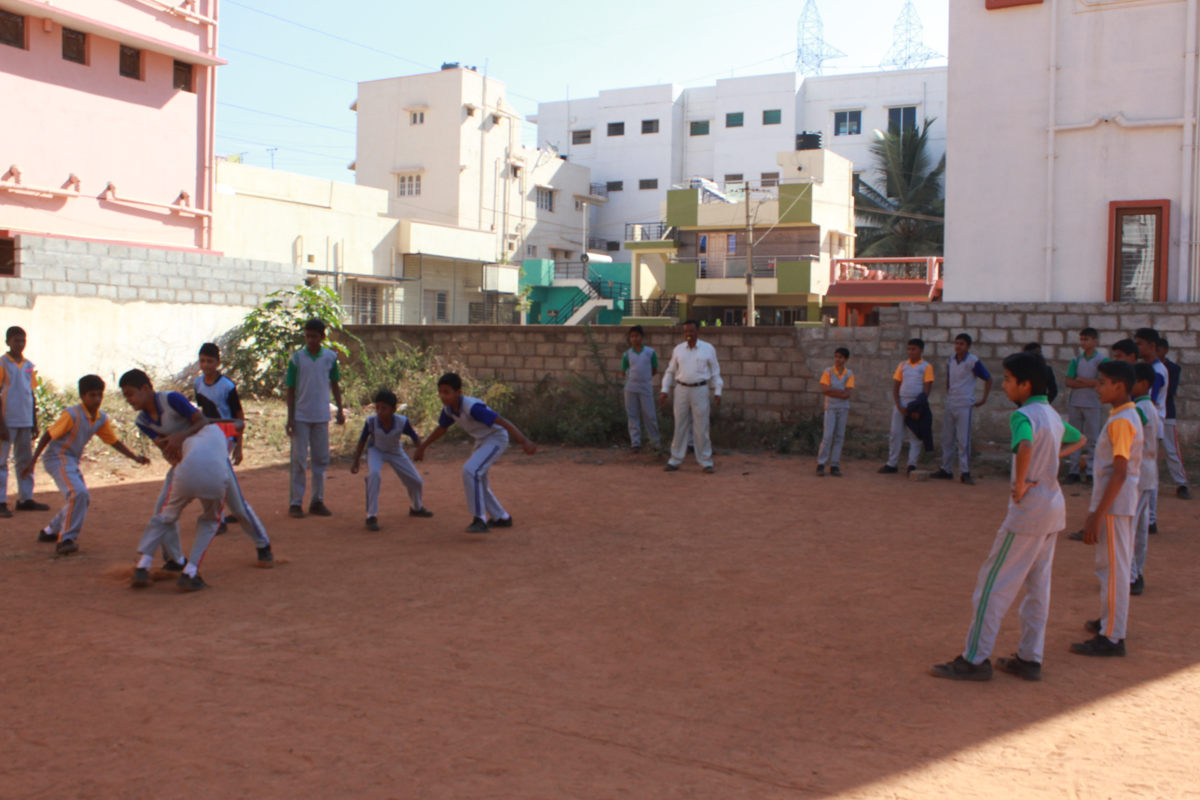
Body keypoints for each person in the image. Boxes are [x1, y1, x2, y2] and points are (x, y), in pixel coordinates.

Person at [930, 352, 1084, 681]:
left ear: (1025, 385)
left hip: (1028, 513)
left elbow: (1025, 445)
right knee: (1037, 589)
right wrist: (1046, 464)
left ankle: (975, 659)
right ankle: (1030, 658)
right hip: (1052, 509)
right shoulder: (1053, 415)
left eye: (1009, 380)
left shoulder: (1023, 416)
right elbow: (1079, 439)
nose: (1004, 385)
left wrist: (1019, 484)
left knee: (992, 586)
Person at [121, 369, 274, 591]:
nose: (129, 400)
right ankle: (175, 559)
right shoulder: (142, 420)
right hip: (184, 463)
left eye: (131, 394)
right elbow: (163, 447)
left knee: (238, 507)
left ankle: (263, 545)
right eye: (125, 396)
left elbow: (201, 420)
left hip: (210, 456)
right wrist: (174, 456)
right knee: (163, 510)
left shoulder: (171, 399)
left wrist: (181, 437)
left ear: (146, 388)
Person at [24, 375, 149, 555]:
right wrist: (32, 461)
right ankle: (66, 539)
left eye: (100, 395)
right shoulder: (72, 414)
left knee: (82, 497)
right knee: (78, 493)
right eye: (92, 395)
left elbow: (112, 441)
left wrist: (134, 457)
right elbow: (48, 435)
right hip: (56, 458)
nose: (97, 400)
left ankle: (50, 531)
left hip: (71, 460)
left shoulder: (100, 418)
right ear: (82, 396)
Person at [1070, 360, 1142, 657]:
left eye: (1102, 382)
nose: (1097, 387)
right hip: (1115, 503)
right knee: (1108, 566)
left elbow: (1121, 471)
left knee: (1114, 569)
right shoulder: (1120, 416)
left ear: (1120, 386)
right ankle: (1108, 621)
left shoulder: (1123, 420)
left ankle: (1112, 636)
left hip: (1113, 505)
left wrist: (1096, 515)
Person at [414, 373, 536, 533]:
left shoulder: (472, 407)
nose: (443, 396)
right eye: (440, 392)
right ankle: (501, 517)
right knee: (478, 479)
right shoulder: (449, 409)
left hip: (496, 438)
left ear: (458, 393)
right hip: (482, 441)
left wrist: (524, 441)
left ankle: (480, 519)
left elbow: (501, 421)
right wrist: (423, 447)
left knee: (470, 471)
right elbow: (441, 429)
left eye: (447, 392)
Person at [286, 318, 345, 518]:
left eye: (314, 336)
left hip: (321, 416)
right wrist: (290, 418)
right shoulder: (296, 359)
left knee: (321, 460)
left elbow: (335, 384)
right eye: (308, 336)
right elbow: (290, 389)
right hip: (301, 416)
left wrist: (340, 409)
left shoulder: (330, 357)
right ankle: (296, 502)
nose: (310, 340)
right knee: (299, 460)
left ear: (322, 337)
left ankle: (317, 501)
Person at [350, 389, 433, 531]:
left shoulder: (402, 422)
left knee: (416, 481)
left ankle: (416, 507)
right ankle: (371, 516)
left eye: (384, 408)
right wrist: (356, 460)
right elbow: (362, 440)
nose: (380, 412)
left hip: (395, 451)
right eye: (377, 408)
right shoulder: (371, 422)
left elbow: (414, 437)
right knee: (374, 475)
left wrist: (420, 449)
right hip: (376, 450)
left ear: (393, 409)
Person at [659, 320, 723, 473]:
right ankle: (675, 460)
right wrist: (665, 389)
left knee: (701, 426)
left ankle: (706, 462)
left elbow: (715, 372)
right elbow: (670, 371)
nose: (688, 334)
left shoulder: (708, 349)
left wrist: (717, 391)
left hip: (700, 389)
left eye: (691, 331)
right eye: (686, 331)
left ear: (698, 331)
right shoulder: (678, 350)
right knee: (680, 425)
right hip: (681, 389)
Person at [0, 326, 49, 516]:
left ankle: (26, 498)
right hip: (7, 420)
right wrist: (1, 424)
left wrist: (34, 421)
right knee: (2, 462)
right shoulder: (3, 364)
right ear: (7, 342)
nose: (19, 344)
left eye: (22, 340)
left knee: (25, 460)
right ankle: (1, 502)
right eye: (16, 340)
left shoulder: (29, 365)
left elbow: (32, 394)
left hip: (24, 420)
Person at [933, 333, 992, 485]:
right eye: (956, 343)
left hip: (965, 404)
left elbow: (988, 378)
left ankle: (965, 471)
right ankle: (946, 469)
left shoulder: (973, 361)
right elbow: (949, 378)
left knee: (963, 440)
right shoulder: (950, 359)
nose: (958, 346)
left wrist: (983, 398)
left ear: (968, 346)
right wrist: (949, 393)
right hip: (951, 402)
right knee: (947, 438)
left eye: (962, 344)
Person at [879, 338, 933, 474]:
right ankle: (892, 463)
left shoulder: (926, 366)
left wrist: (919, 408)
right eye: (909, 349)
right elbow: (896, 387)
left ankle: (912, 464)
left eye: (914, 349)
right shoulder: (902, 365)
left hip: (916, 404)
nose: (910, 352)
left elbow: (926, 390)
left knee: (915, 435)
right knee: (895, 434)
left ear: (921, 351)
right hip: (901, 403)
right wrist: (898, 405)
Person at [1128, 363, 1159, 597]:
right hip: (1148, 472)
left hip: (1138, 473)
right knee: (1139, 529)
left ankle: (1131, 574)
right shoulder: (1149, 407)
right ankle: (1136, 571)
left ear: (1144, 384)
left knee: (1131, 527)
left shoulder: (1138, 409)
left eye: (1134, 381)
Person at [1134, 328, 1168, 532]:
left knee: (1148, 469)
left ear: (1152, 346)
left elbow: (1152, 398)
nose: (1138, 347)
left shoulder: (1157, 371)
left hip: (1151, 419)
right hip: (1148, 418)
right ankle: (1147, 517)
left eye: (1140, 343)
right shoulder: (1150, 368)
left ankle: (1150, 518)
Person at [1064, 328, 1105, 484]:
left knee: (1092, 439)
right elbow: (1068, 381)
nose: (1083, 343)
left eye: (1086, 339)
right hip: (1076, 403)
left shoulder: (1102, 360)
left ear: (1095, 341)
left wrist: (1080, 379)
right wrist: (1089, 382)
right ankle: (1073, 471)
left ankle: (1090, 472)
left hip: (1093, 403)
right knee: (1074, 437)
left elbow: (1100, 381)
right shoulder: (1076, 359)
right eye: (1081, 339)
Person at [1156, 337, 1189, 499]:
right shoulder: (1148, 367)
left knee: (1171, 450)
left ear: (1165, 350)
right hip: (1153, 413)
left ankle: (1181, 482)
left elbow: (1170, 391)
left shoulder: (1173, 368)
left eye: (1158, 350)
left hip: (1167, 412)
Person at [620, 325, 660, 452]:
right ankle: (635, 443)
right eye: (632, 336)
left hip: (645, 387)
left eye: (637, 336)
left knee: (649, 414)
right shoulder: (627, 354)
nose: (634, 339)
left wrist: (644, 379)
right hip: (630, 387)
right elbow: (623, 371)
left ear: (642, 337)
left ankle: (654, 442)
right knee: (632, 415)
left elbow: (654, 370)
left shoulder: (650, 352)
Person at [816, 347, 854, 477]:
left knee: (839, 436)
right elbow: (824, 390)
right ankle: (821, 463)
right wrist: (840, 392)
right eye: (836, 356)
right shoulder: (828, 371)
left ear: (846, 359)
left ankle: (834, 465)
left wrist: (832, 391)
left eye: (841, 357)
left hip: (843, 408)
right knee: (827, 436)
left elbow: (847, 394)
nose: (838, 359)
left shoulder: (849, 373)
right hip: (831, 407)